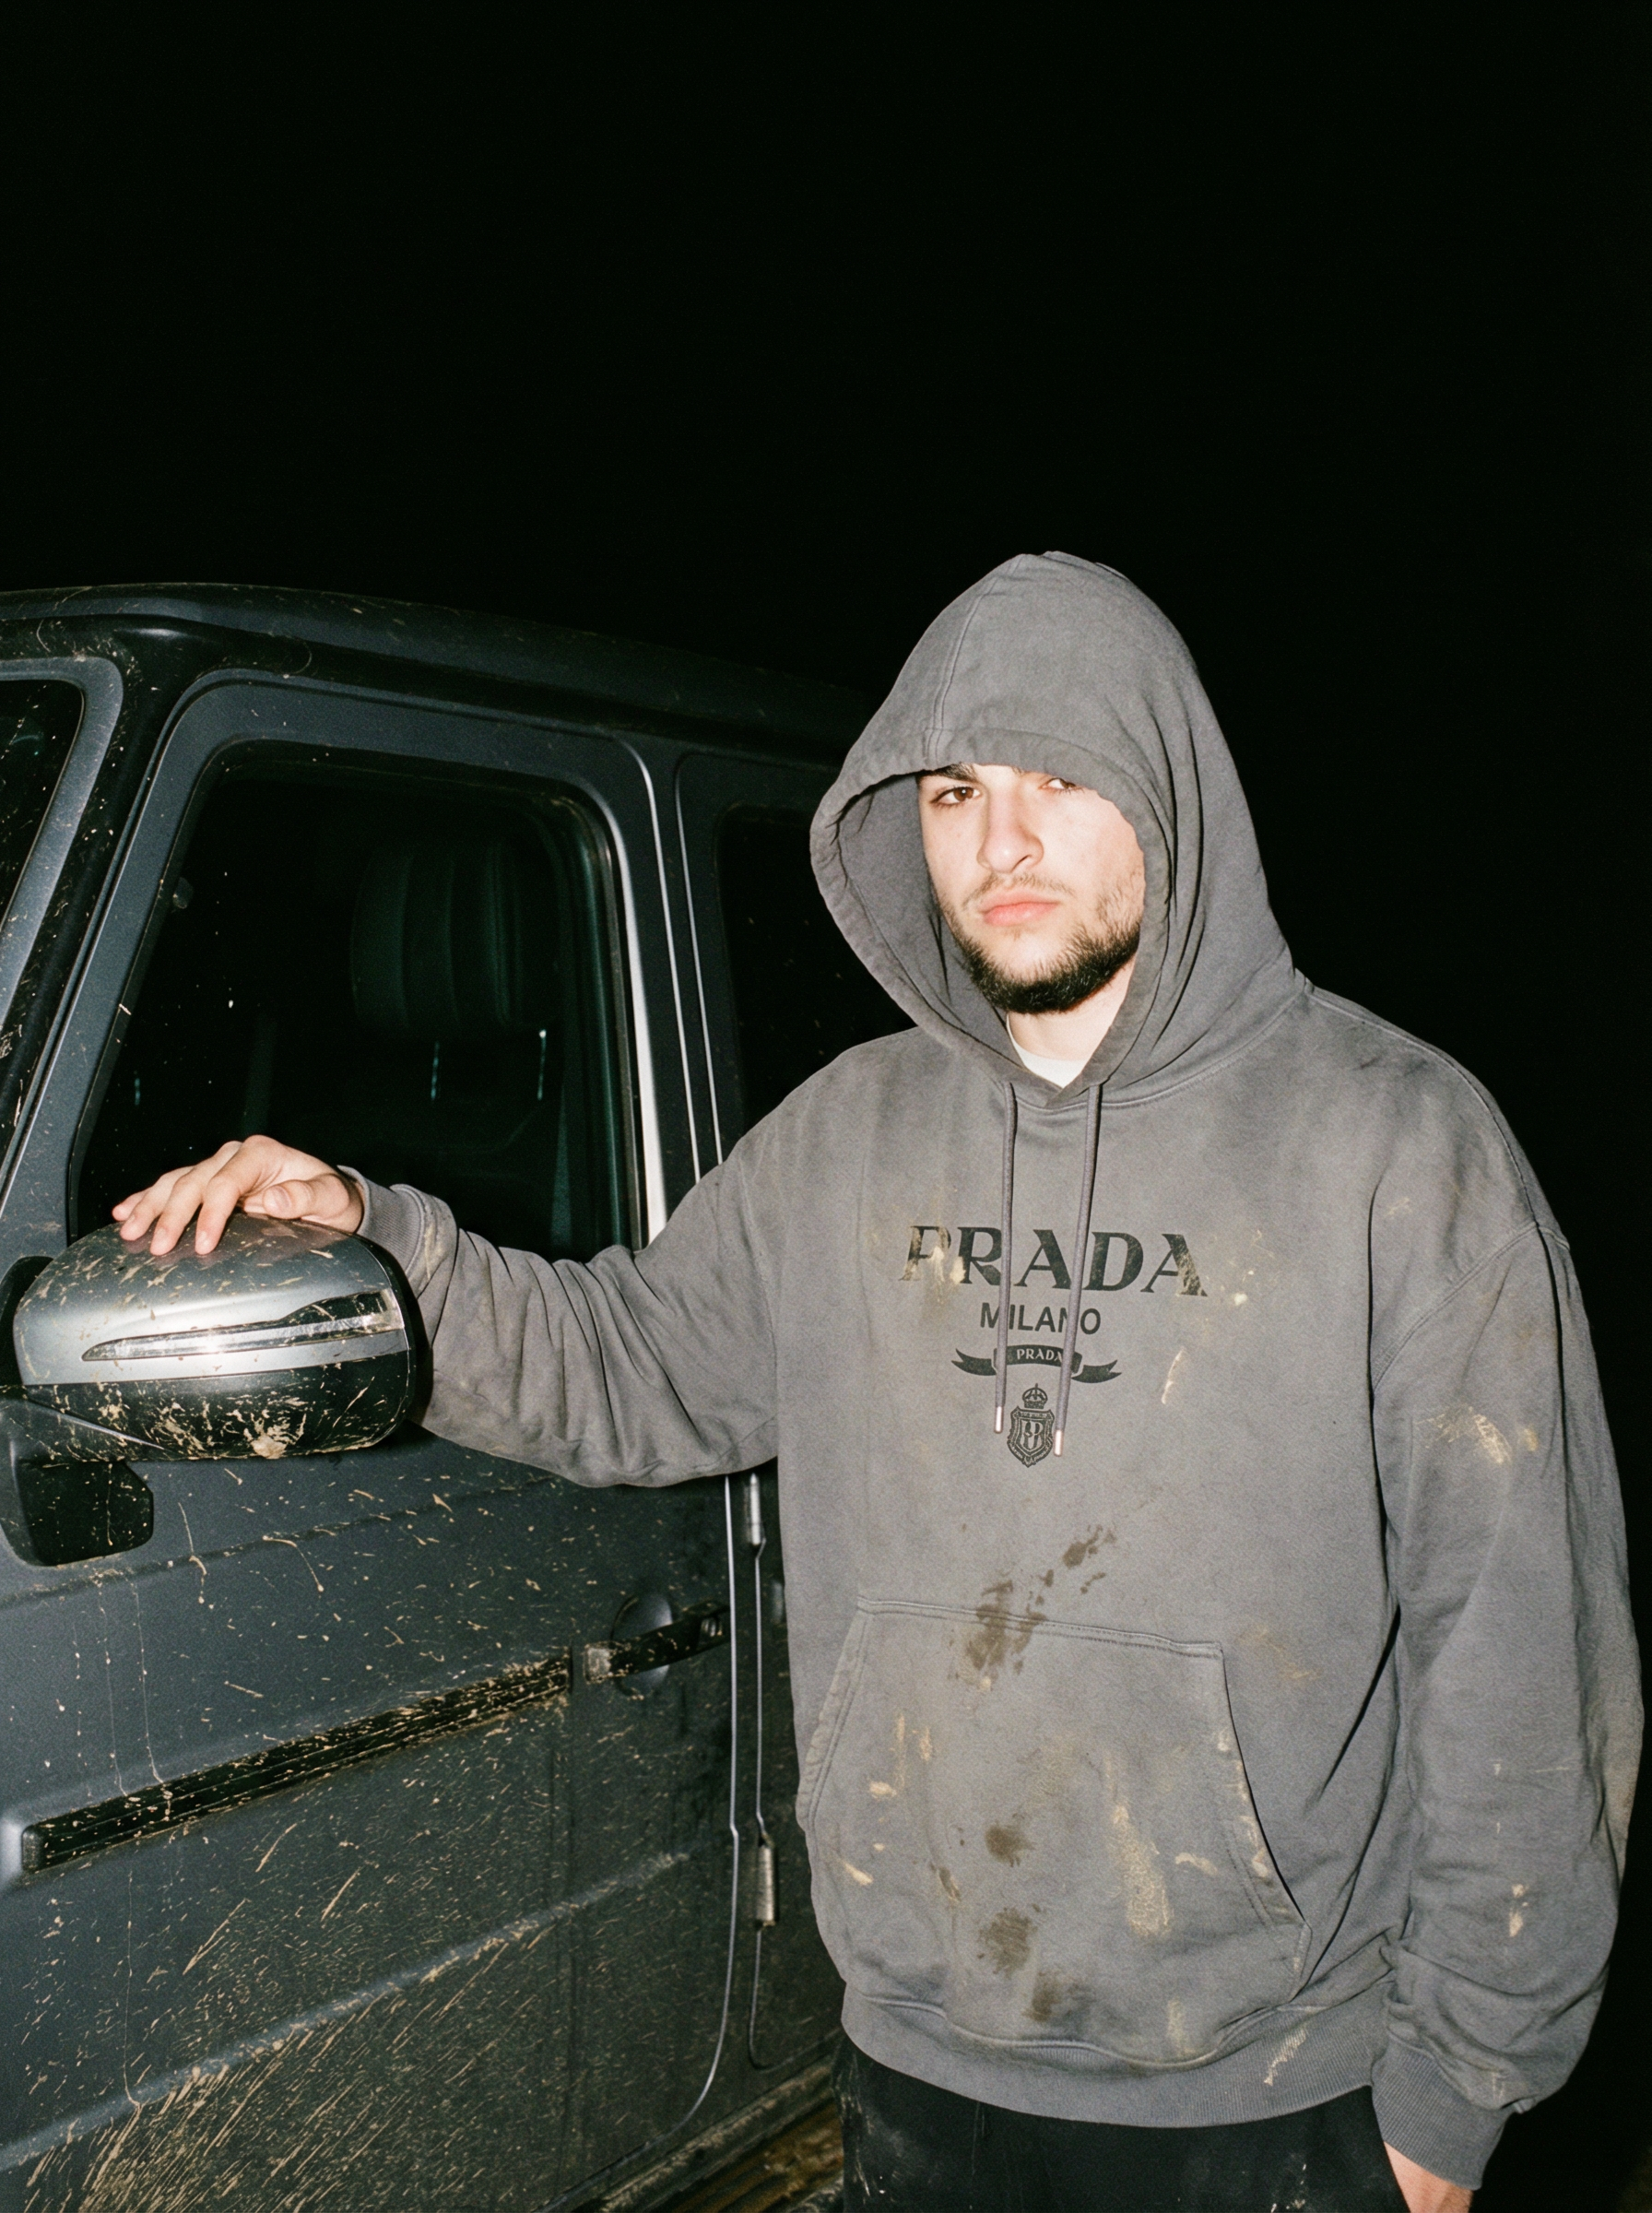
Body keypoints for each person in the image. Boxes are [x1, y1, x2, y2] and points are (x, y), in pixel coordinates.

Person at [117, 555, 1638, 2213]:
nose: (1005, 838)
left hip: (1280, 2096)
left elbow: (1521, 1647)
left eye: (1065, 777)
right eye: (959, 786)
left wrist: (1454, 2099)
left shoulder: (1397, 1146)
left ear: (1175, 793)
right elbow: (634, 1365)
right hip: (918, 2071)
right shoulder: (847, 1137)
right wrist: (382, 1249)